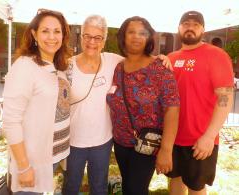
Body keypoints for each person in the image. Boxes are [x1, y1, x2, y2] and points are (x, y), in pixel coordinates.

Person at [62, 15, 172, 195]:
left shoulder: (113, 61)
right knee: (70, 187)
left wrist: (159, 57)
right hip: (73, 141)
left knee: (99, 188)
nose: (92, 42)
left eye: (98, 37)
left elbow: (139, 59)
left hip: (102, 141)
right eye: (87, 36)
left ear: (104, 40)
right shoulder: (67, 66)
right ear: (81, 37)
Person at [106, 16, 180, 195]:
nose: (136, 36)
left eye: (142, 33)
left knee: (135, 190)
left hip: (147, 144)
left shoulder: (160, 68)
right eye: (131, 32)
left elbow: (172, 109)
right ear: (123, 36)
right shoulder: (118, 67)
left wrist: (166, 150)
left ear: (149, 37)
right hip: (121, 142)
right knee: (129, 187)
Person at [2, 8, 72, 194]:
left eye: (57, 31)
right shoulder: (25, 66)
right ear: (34, 34)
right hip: (32, 161)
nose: (52, 37)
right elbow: (11, 121)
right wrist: (24, 168)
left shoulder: (58, 66)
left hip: (53, 156)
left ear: (63, 35)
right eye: (45, 31)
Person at [166, 11, 234, 195]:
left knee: (196, 187)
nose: (190, 27)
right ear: (178, 28)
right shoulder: (171, 58)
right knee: (175, 180)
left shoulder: (216, 56)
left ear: (203, 29)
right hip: (172, 136)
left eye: (196, 24)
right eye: (186, 23)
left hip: (200, 139)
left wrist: (210, 136)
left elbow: (225, 98)